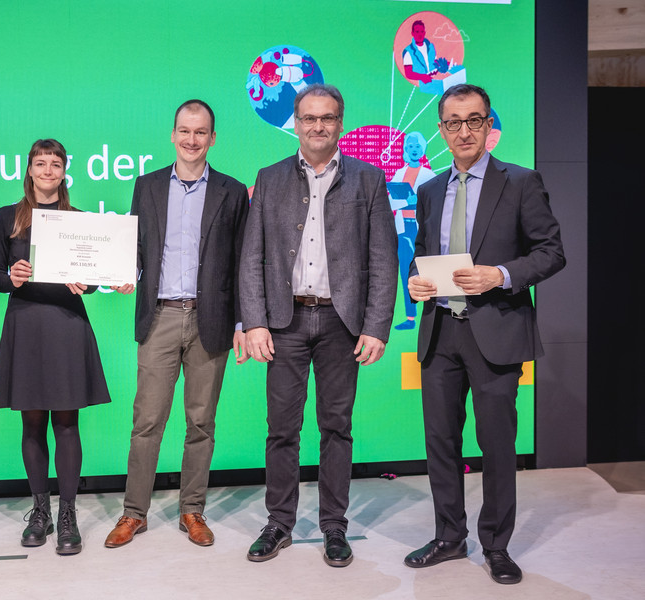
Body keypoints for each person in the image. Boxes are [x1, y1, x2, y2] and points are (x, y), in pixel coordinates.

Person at [404, 84, 565, 584]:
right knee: (440, 443)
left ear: (488, 125)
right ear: (441, 130)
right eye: (453, 122)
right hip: (439, 335)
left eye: (474, 120)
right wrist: (414, 280)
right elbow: (423, 254)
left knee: (496, 444)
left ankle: (496, 544)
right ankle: (450, 537)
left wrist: (500, 275)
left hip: (495, 332)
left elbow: (551, 251)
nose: (464, 131)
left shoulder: (520, 181)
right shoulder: (429, 189)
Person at [239, 83, 397, 567]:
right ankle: (279, 523)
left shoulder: (369, 179)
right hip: (284, 322)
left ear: (340, 124)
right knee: (281, 429)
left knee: (336, 428)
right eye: (309, 118)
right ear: (296, 124)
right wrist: (255, 321)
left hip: (341, 322)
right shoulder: (268, 178)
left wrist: (377, 326)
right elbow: (252, 257)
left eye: (327, 118)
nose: (318, 126)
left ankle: (334, 526)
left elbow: (384, 259)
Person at [103, 99, 250, 549]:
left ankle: (192, 510)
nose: (192, 140)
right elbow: (136, 249)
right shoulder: (146, 186)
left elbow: (242, 263)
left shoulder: (232, 190)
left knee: (201, 422)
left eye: (201, 132)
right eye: (185, 131)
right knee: (147, 421)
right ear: (173, 134)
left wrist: (245, 321)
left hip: (212, 320)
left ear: (212, 138)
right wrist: (119, 276)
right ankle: (134, 514)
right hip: (161, 316)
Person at [0, 139, 112, 556]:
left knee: (67, 423)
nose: (48, 170)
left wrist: (87, 282)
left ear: (64, 171)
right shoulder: (8, 217)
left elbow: (92, 279)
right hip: (25, 324)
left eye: (55, 164)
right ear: (29, 168)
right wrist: (13, 278)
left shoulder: (78, 219)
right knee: (31, 423)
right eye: (41, 163)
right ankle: (40, 511)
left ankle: (68, 516)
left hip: (66, 325)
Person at [391, 131, 436, 331]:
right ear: (405, 150)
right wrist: (405, 201)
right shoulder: (399, 173)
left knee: (427, 271)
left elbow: (436, 202)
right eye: (410, 147)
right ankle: (410, 317)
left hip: (423, 230)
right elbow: (390, 199)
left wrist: (416, 202)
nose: (414, 150)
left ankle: (433, 315)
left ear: (423, 149)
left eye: (417, 146)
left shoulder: (431, 175)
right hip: (403, 228)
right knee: (405, 272)